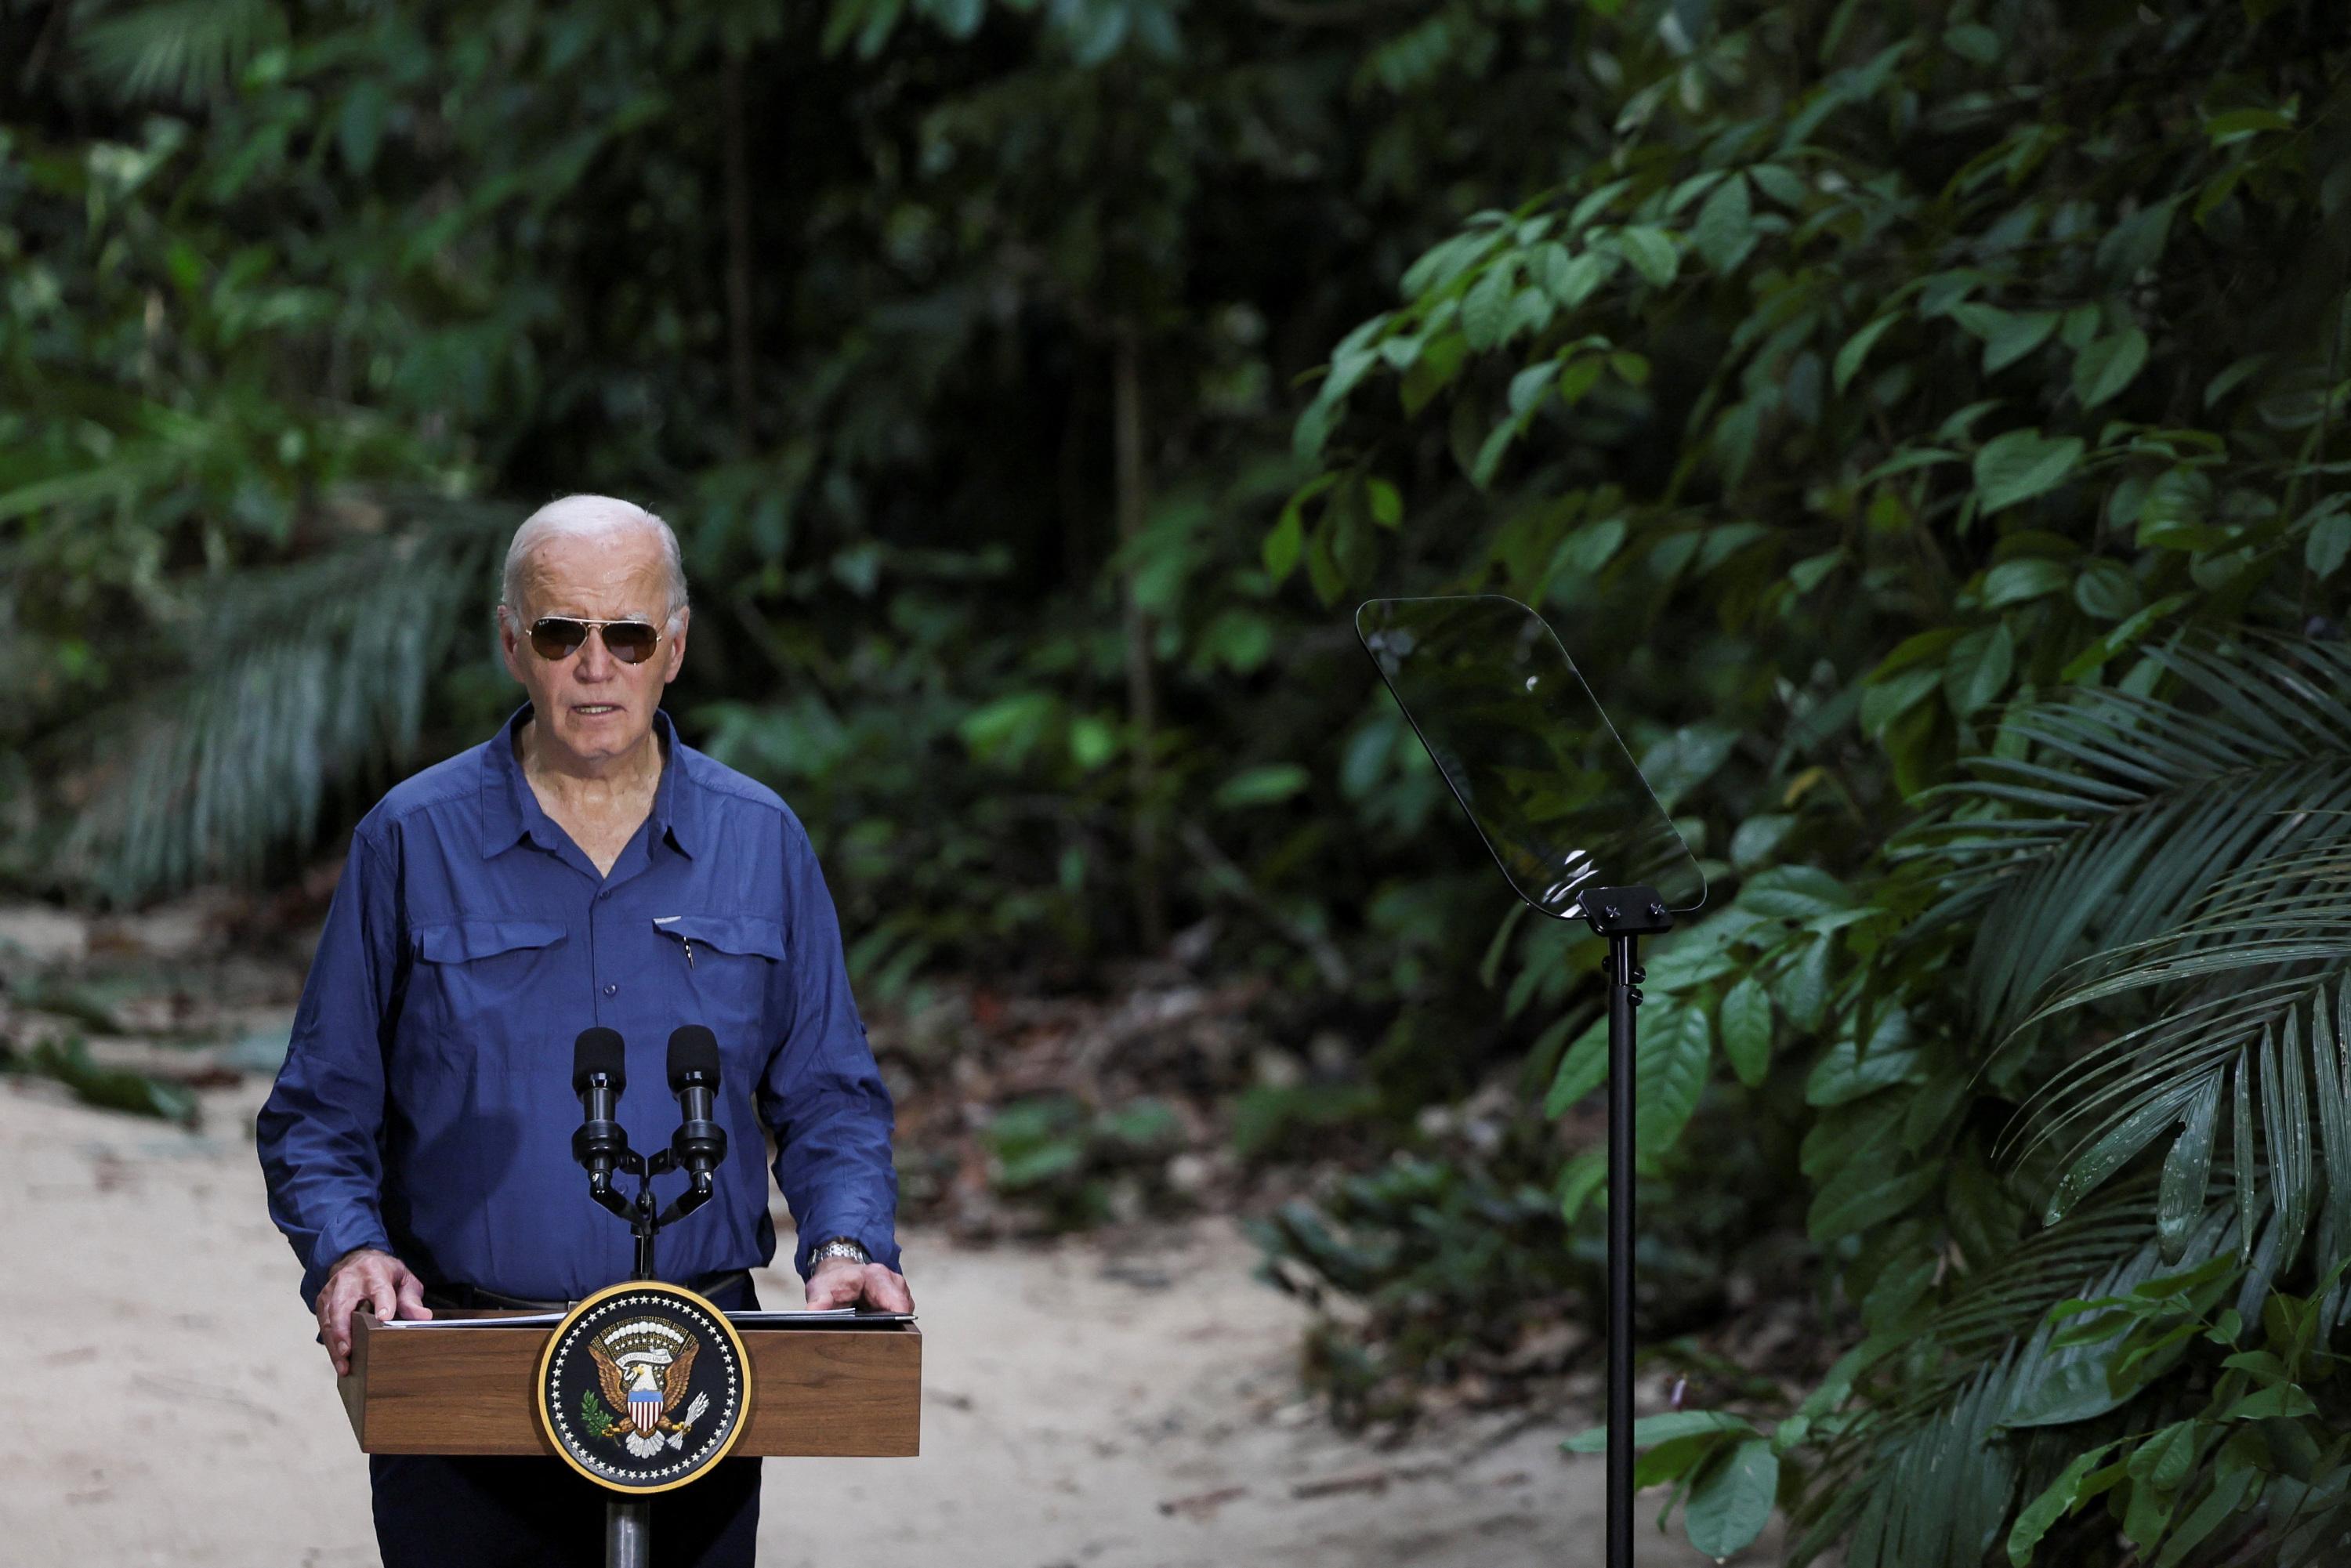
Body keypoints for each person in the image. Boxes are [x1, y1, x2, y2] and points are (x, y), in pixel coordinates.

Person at [256, 494, 911, 1568]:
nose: (594, 665)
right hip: (465, 1367)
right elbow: (320, 1111)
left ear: (677, 646)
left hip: (700, 1371)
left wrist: (846, 1244)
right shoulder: (410, 840)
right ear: (513, 642)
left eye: (627, 634)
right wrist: (349, 1251)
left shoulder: (762, 841)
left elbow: (830, 1093)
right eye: (563, 633)